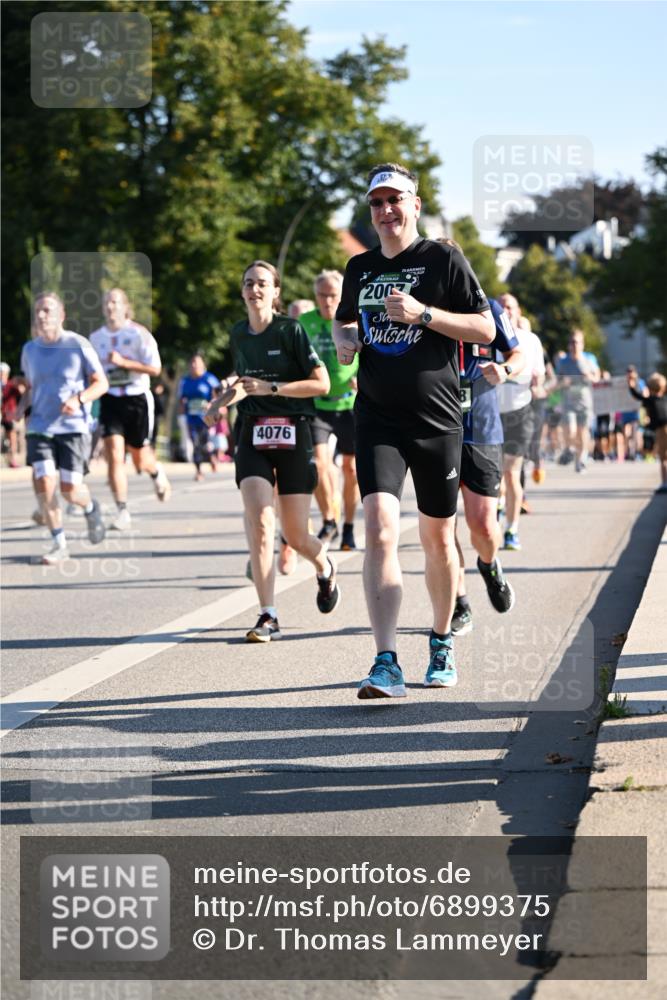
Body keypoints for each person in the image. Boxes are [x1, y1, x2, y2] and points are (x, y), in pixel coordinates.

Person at [333, 162, 494, 697]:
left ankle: (442, 639)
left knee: (436, 538)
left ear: (415, 205)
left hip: (437, 419)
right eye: (376, 203)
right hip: (377, 414)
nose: (385, 212)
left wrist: (424, 314)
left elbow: (485, 328)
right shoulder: (359, 267)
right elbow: (343, 318)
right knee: (379, 528)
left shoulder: (443, 258)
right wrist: (344, 339)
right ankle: (385, 661)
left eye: (394, 201)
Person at [204, 260, 340, 642]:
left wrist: (273, 389)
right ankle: (268, 614)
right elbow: (246, 384)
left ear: (276, 291)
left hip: (293, 432)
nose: (255, 289)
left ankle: (324, 565)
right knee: (261, 520)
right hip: (251, 434)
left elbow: (322, 384)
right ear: (243, 290)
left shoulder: (290, 330)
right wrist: (220, 403)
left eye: (263, 283)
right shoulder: (237, 333)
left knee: (296, 536)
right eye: (249, 283)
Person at [450, 292, 524, 636]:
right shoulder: (420, 312)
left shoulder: (489, 309)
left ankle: (489, 563)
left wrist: (505, 370)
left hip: (481, 431)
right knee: (441, 532)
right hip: (436, 434)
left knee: (482, 526)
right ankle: (459, 603)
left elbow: (517, 353)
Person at [20, 292, 108, 564]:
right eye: (38, 311)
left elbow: (101, 383)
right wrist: (17, 406)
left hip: (73, 427)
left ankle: (91, 508)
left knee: (70, 490)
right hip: (40, 426)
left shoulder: (77, 345)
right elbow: (31, 388)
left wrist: (79, 399)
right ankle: (59, 542)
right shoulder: (29, 350)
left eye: (47, 310)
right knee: (45, 483)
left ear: (62, 315)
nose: (41, 316)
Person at [90, 288, 171, 531]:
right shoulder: (95, 338)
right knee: (114, 454)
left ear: (125, 306)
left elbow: (155, 369)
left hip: (137, 399)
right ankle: (122, 510)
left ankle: (156, 472)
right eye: (106, 302)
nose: (110, 306)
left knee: (140, 459)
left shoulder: (139, 334)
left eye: (114, 301)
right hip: (110, 400)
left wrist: (124, 363)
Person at [300, 270, 360, 551]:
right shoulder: (305, 323)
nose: (327, 300)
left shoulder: (353, 320)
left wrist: (363, 378)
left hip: (349, 403)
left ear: (341, 296)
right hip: (317, 405)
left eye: (333, 295)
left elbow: (370, 354)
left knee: (351, 469)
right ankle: (329, 519)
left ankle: (348, 527)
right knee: (319, 465)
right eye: (322, 295)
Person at [497, 295, 545, 551]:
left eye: (509, 306)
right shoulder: (488, 334)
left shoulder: (530, 340)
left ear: (518, 311)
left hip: (520, 411)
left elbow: (539, 375)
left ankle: (511, 529)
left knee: (511, 472)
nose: (505, 310)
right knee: (495, 474)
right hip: (491, 413)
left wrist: (537, 385)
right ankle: (498, 505)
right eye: (500, 305)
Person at [555, 329, 600, 473]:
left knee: (583, 432)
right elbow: (557, 380)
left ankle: (581, 460)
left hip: (585, 401)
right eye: (572, 342)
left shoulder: (589, 359)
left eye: (577, 342)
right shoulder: (563, 361)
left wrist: (589, 376)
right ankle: (570, 448)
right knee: (571, 429)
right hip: (568, 401)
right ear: (569, 345)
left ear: (582, 344)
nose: (574, 345)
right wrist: (563, 382)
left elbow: (597, 377)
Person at [178, 351, 221, 480]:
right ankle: (198, 471)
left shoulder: (209, 379)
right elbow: (181, 398)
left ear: (203, 365)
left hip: (207, 418)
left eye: (197, 362)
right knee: (195, 444)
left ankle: (212, 456)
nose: (194, 365)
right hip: (191, 417)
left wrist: (216, 406)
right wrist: (181, 410)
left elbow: (219, 395)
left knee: (205, 443)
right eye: (192, 363)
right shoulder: (185, 381)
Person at [627, 370, 667, 493]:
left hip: (662, 429)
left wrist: (631, 384)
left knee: (663, 457)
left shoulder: (651, 400)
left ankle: (665, 483)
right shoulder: (664, 399)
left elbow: (637, 395)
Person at [1, 362, 25, 468]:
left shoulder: (11, 385)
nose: (2, 375)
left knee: (12, 438)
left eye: (4, 373)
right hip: (1, 415)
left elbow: (21, 393)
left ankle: (13, 460)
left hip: (9, 416)